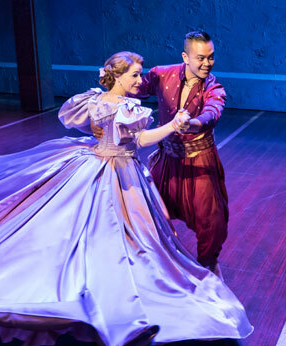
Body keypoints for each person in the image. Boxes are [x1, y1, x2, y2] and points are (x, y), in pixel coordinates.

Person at [0, 51, 252, 346]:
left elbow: (85, 125)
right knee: (114, 232)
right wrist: (173, 124)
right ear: (119, 77)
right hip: (115, 173)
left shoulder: (93, 99)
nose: (138, 81)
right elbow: (141, 141)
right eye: (132, 76)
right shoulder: (126, 108)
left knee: (104, 230)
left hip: (94, 161)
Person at [94, 31, 229, 275]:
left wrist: (193, 123)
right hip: (166, 160)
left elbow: (213, 112)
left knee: (212, 221)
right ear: (185, 57)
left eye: (211, 57)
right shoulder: (162, 74)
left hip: (199, 160)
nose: (207, 63)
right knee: (149, 213)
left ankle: (207, 266)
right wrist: (109, 97)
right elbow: (133, 86)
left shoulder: (213, 86)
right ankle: (152, 266)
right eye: (201, 58)